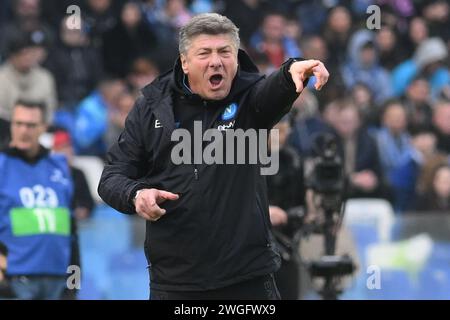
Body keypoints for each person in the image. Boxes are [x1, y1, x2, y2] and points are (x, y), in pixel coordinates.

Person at [98, 13, 329, 300]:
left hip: (247, 278)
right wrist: (136, 194)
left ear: (235, 58)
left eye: (224, 52)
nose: (216, 61)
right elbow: (111, 178)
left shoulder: (250, 98)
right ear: (184, 61)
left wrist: (291, 71)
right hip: (176, 281)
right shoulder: (152, 106)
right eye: (204, 53)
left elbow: (273, 91)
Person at [0, 101, 73, 299]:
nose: (24, 130)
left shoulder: (59, 167)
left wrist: (74, 283)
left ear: (43, 127)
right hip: (14, 281)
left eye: (31, 125)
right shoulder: (1, 166)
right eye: (18, 123)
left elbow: (71, 231)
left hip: (57, 281)